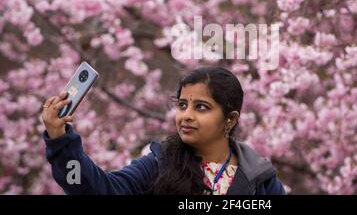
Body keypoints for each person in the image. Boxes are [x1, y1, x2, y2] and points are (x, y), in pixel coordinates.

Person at [41, 66, 286, 195]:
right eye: (182, 105)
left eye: (201, 107)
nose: (186, 115)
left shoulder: (260, 180)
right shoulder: (160, 163)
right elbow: (97, 190)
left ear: (230, 120)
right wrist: (61, 141)